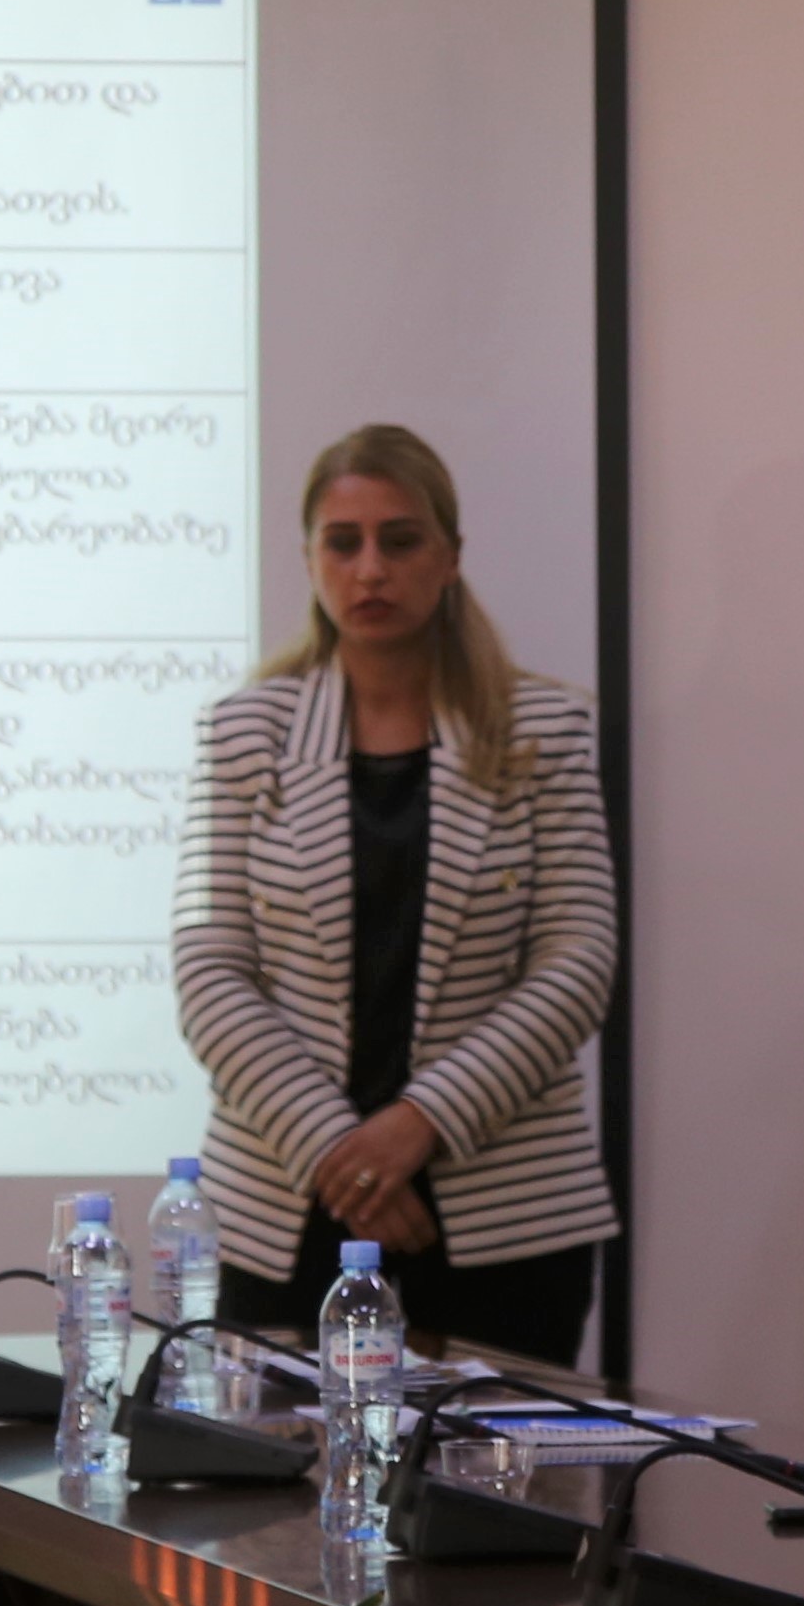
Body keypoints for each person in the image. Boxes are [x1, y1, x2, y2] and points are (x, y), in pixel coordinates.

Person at [172, 425, 615, 1366]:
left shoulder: (545, 728)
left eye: (400, 540)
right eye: (344, 542)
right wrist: (342, 1149)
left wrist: (419, 1126)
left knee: (500, 1461)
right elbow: (209, 972)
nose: (370, 568)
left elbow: (578, 961)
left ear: (450, 556)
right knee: (273, 1464)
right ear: (310, 560)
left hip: (505, 1211)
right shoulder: (243, 732)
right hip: (291, 1202)